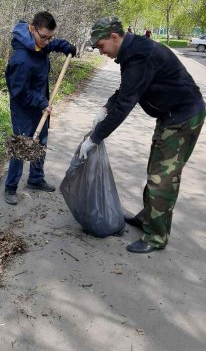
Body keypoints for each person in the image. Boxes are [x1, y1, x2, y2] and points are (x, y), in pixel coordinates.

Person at [79, 16, 205, 254]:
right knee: (155, 169)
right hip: (171, 116)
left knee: (162, 179)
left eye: (101, 46)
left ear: (114, 37)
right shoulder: (132, 50)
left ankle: (156, 237)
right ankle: (148, 217)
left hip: (183, 117)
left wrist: (95, 138)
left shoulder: (139, 55)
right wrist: (106, 107)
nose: (99, 51)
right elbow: (126, 89)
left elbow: (126, 103)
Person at [4, 11, 77, 205]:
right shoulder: (21, 59)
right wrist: (42, 102)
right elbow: (18, 92)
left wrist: (65, 46)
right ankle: (10, 187)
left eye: (49, 37)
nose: (46, 41)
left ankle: (35, 179)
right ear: (31, 29)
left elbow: (52, 44)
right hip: (23, 109)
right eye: (43, 37)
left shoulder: (39, 45)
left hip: (40, 105)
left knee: (41, 141)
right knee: (22, 146)